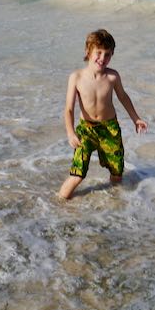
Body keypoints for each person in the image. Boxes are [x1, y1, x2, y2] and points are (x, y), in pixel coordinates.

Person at [58, 29, 147, 199]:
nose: (102, 58)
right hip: (86, 130)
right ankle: (59, 205)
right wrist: (70, 132)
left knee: (117, 172)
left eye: (107, 54)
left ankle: (114, 204)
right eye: (98, 53)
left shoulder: (112, 77)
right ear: (88, 52)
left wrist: (136, 118)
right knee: (77, 174)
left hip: (110, 129)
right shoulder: (76, 77)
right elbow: (69, 109)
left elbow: (123, 97)